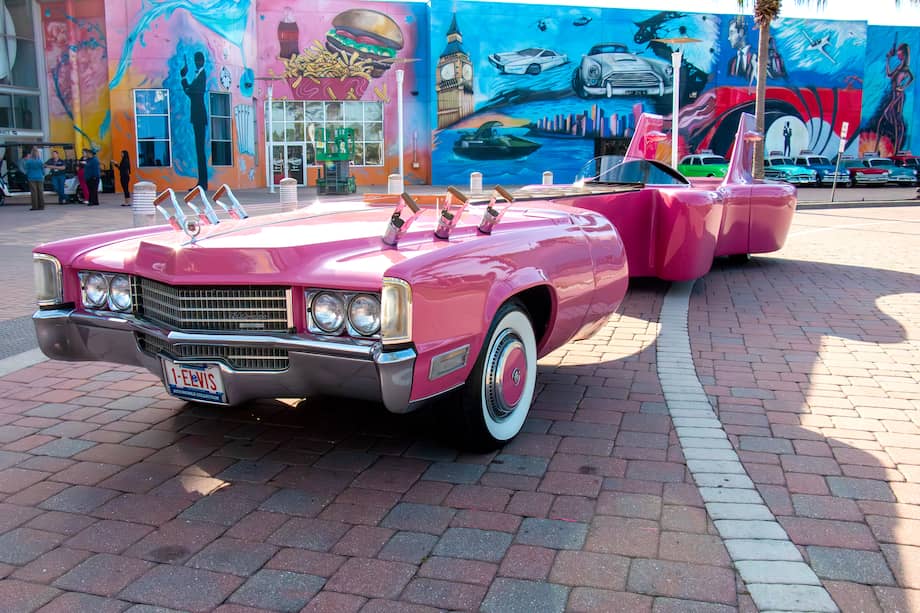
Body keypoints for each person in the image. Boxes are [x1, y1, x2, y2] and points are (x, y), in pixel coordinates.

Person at [181, 51, 209, 190]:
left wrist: (184, 79)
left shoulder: (202, 76)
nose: (197, 63)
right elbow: (190, 92)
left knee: (200, 150)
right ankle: (201, 183)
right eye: (196, 61)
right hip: (197, 116)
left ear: (202, 61)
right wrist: (184, 79)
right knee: (199, 150)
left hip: (199, 116)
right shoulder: (198, 75)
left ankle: (203, 183)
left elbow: (192, 92)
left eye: (198, 61)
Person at [727, 16, 755, 81]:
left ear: (741, 33)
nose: (729, 38)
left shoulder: (756, 56)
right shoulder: (732, 62)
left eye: (732, 33)